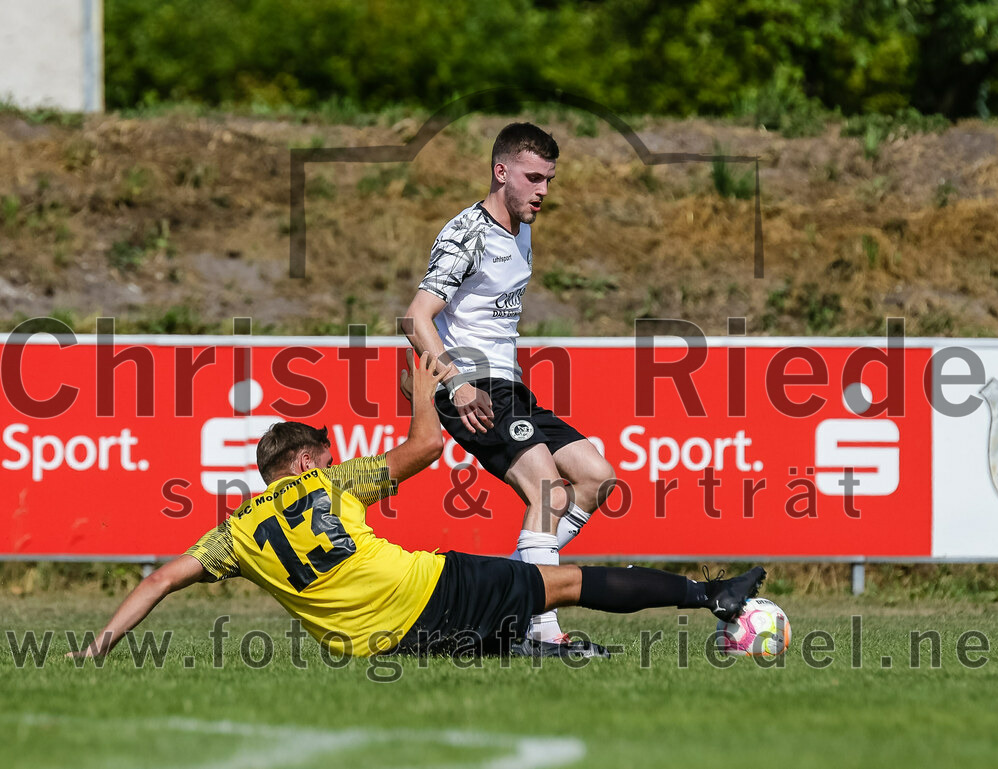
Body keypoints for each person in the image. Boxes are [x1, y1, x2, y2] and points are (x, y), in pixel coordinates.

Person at [69, 350, 766, 661]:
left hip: (378, 643)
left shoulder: (237, 532)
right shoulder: (328, 484)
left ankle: (539, 651)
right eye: (321, 448)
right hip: (425, 590)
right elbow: (428, 448)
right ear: (304, 460)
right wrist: (419, 387)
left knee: (499, 633)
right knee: (565, 581)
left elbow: (158, 577)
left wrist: (100, 645)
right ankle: (712, 596)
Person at [403, 122, 618, 649]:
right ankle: (541, 630)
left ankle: (506, 589)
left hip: (510, 387)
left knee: (596, 477)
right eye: (533, 177)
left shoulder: (521, 226)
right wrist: (454, 383)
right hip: (472, 388)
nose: (543, 190)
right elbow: (415, 318)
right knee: (546, 491)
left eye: (549, 179)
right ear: (501, 172)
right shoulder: (466, 234)